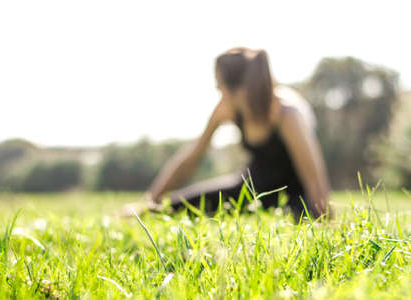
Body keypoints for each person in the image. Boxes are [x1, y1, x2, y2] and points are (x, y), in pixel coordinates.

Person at [141, 47, 332, 221]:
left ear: (238, 90)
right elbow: (192, 157)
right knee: (176, 206)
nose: (218, 93)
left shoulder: (286, 114)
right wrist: (151, 201)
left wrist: (325, 220)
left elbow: (313, 179)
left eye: (220, 87)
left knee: (297, 217)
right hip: (250, 187)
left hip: (292, 196)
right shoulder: (227, 110)